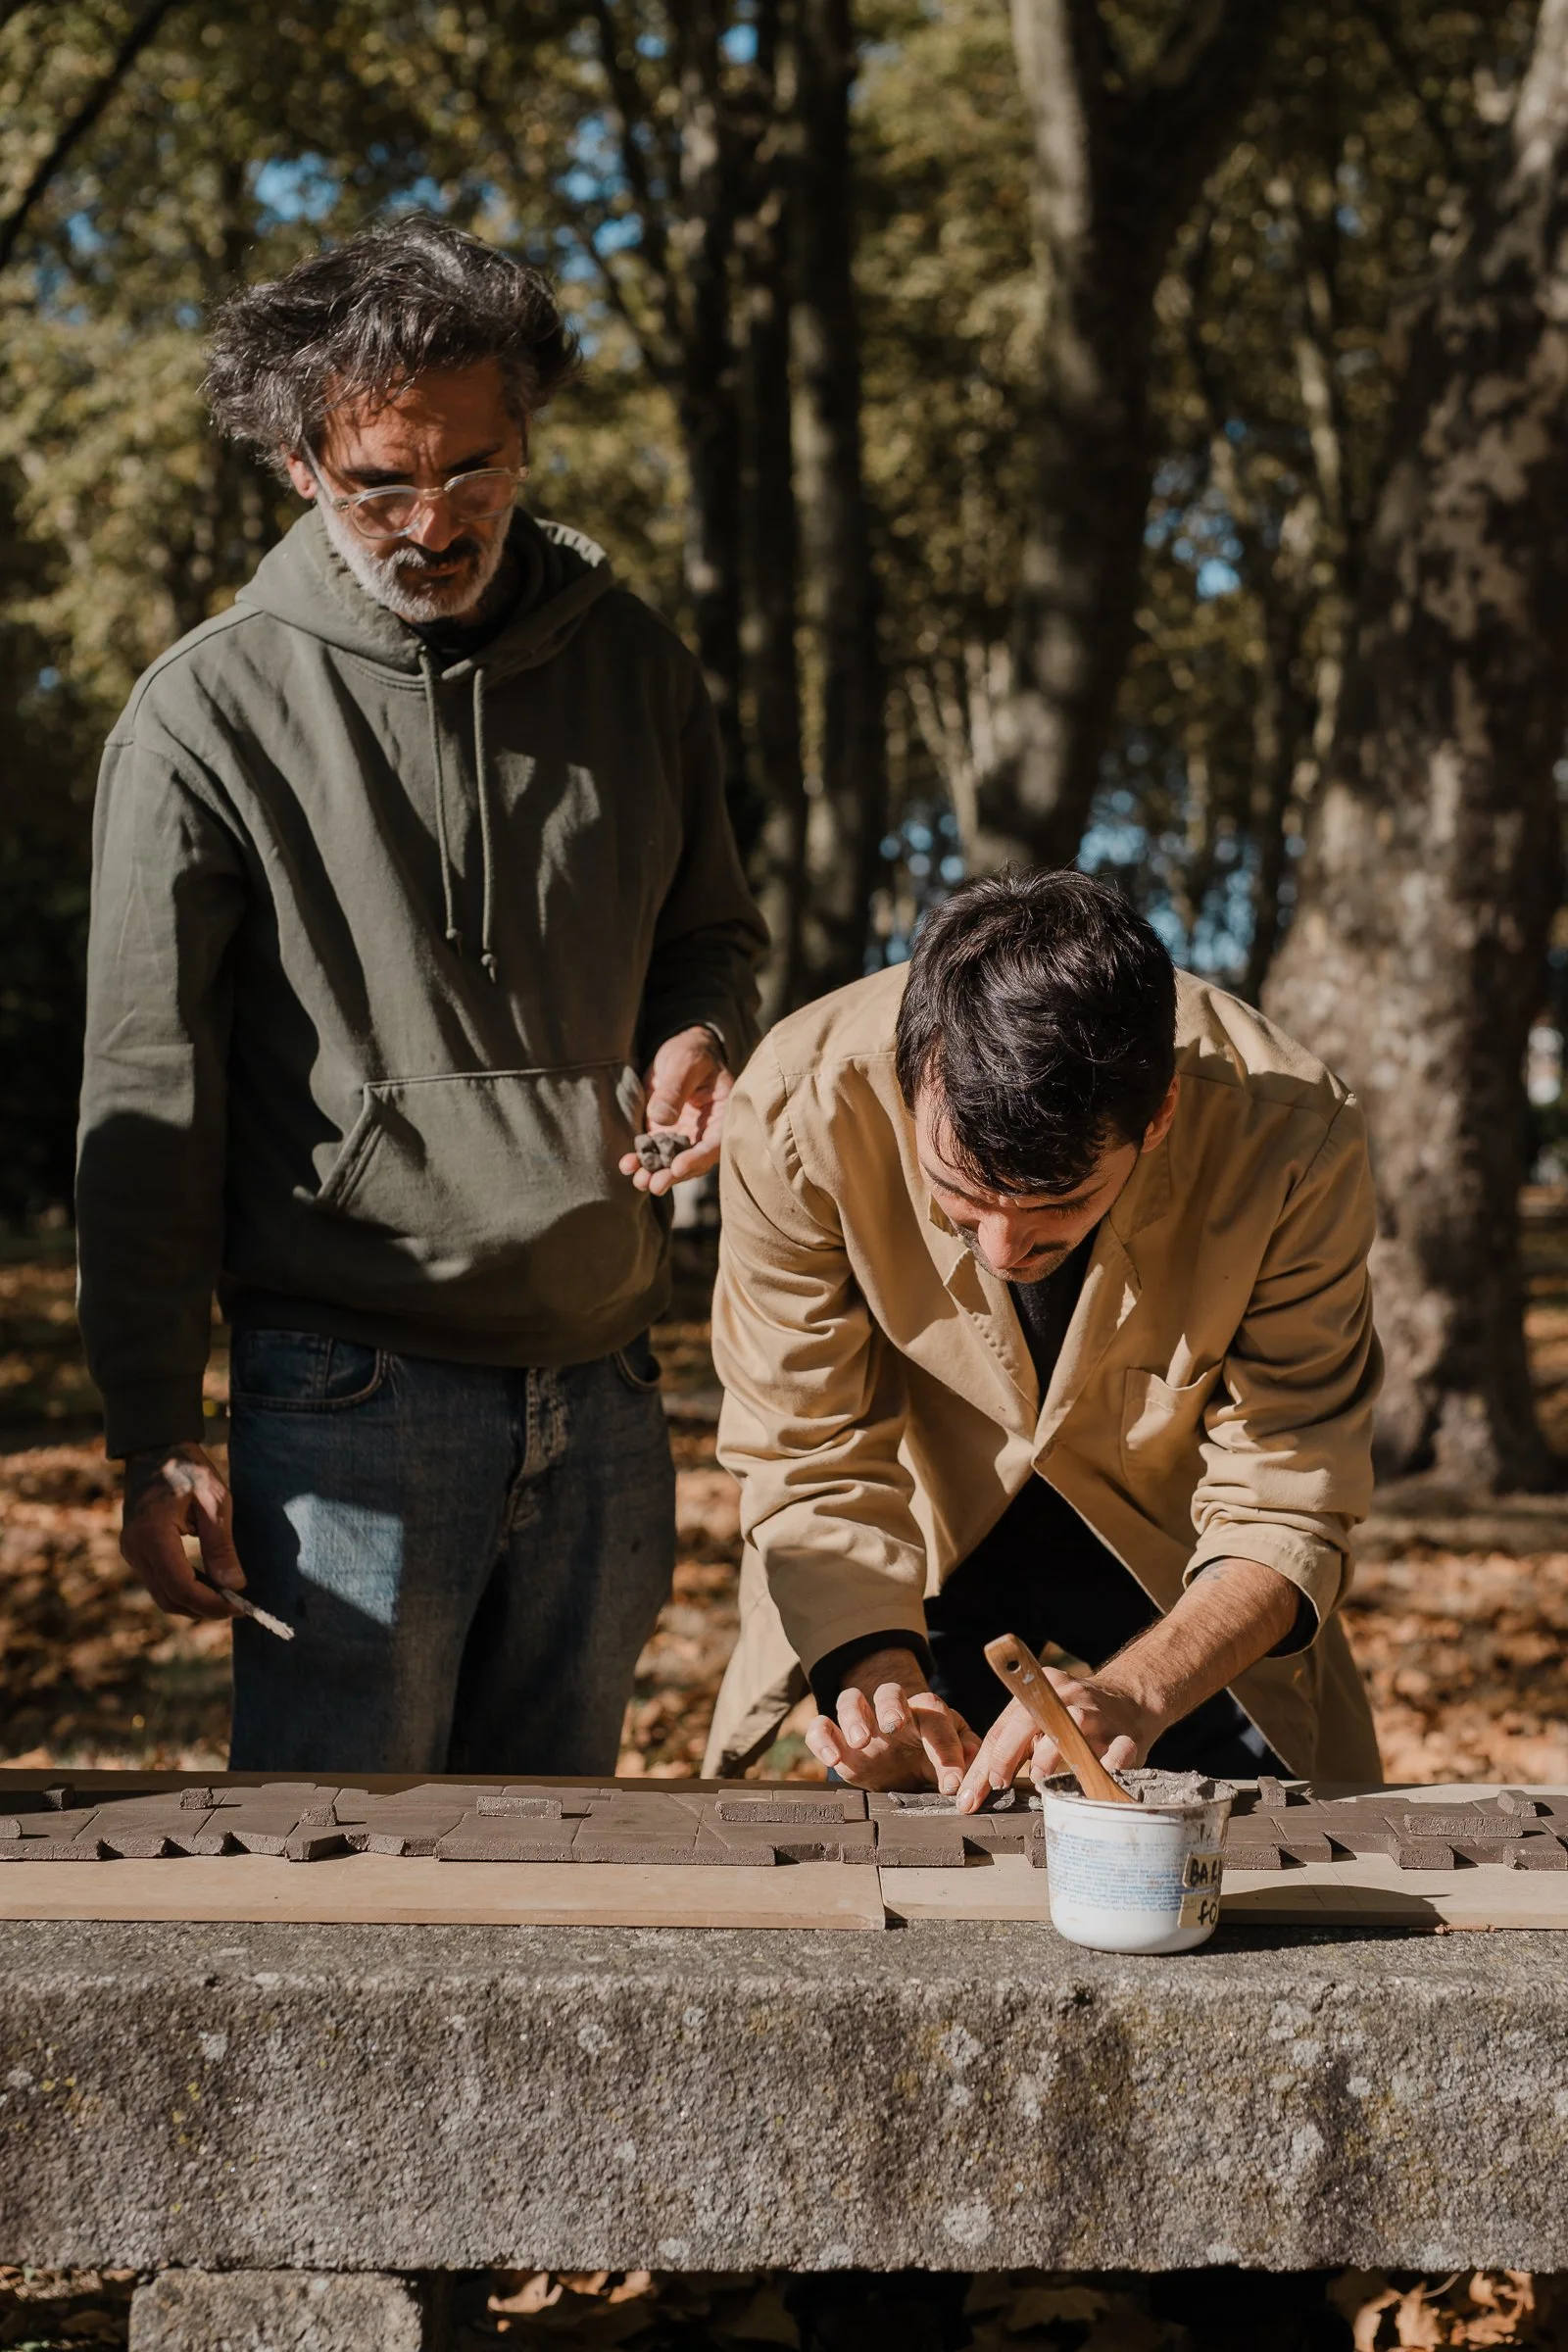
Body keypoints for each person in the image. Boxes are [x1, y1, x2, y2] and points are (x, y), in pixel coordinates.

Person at [76, 219, 765, 1776]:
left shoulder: (639, 668)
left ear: (526, 442)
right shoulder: (204, 712)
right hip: (344, 1396)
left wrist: (698, 1041)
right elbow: (144, 1090)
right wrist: (149, 1432)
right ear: (301, 465)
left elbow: (709, 935)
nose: (436, 519)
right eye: (385, 479)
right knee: (337, 1895)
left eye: (478, 469)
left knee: (555, 1888)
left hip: (603, 1385)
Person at [703, 868, 1382, 1798]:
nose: (1004, 1246)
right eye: (960, 1197)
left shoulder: (1296, 1141)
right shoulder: (795, 1107)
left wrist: (1139, 1692)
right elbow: (805, 1447)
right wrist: (879, 1686)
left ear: (1159, 1116)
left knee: (1263, 1862)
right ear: (907, 1088)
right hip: (913, 1541)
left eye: (1060, 1205)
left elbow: (1289, 1489)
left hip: (1185, 1559)